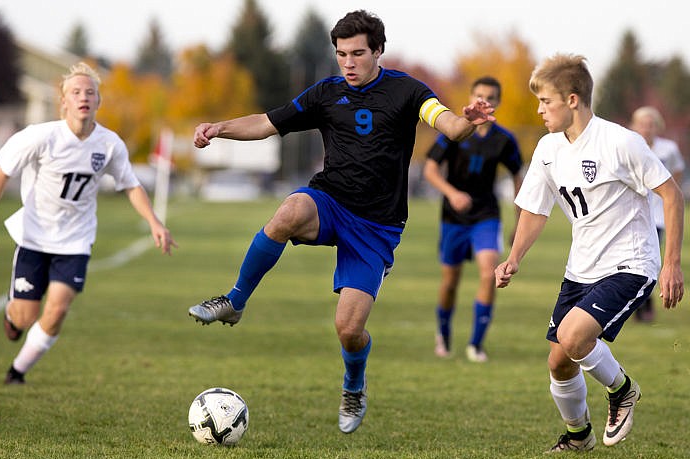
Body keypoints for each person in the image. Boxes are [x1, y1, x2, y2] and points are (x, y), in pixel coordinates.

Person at [188, 10, 495, 434]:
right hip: (330, 202)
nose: (348, 63)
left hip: (377, 228)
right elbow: (266, 122)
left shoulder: (407, 91)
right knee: (290, 211)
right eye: (341, 54)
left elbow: (446, 123)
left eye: (357, 53)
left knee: (349, 330)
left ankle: (354, 384)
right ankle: (235, 302)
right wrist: (218, 128)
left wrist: (466, 122)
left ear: (378, 51)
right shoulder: (326, 93)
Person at [495, 54, 684, 452]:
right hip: (581, 267)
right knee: (558, 362)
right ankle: (579, 436)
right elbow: (534, 210)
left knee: (573, 337)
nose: (540, 109)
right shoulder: (548, 149)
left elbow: (671, 194)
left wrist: (671, 264)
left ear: (574, 99)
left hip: (630, 263)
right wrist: (514, 258)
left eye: (546, 101)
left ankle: (623, 390)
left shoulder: (621, 142)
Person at [0, 62, 176, 385]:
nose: (84, 97)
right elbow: (3, 173)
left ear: (98, 102)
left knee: (57, 310)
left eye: (90, 92)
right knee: (25, 317)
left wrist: (155, 222)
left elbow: (131, 185)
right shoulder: (41, 137)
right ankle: (13, 318)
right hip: (34, 238)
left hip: (75, 241)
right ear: (63, 102)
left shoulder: (109, 144)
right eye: (76, 92)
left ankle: (17, 372)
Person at [424, 76, 523, 362]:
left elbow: (518, 178)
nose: (485, 100)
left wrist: (519, 223)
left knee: (487, 273)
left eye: (491, 97)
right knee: (450, 282)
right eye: (480, 95)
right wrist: (452, 193)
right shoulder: (453, 132)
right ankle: (443, 334)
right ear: (470, 97)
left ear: (498, 102)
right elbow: (430, 170)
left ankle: (475, 345)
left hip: (486, 215)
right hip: (453, 217)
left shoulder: (504, 140)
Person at [629, 106, 686, 322]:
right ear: (634, 125)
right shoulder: (629, 146)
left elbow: (677, 172)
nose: (646, 128)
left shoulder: (668, 149)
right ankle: (639, 302)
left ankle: (646, 302)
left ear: (657, 127)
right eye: (642, 124)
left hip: (660, 216)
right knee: (634, 259)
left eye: (651, 124)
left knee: (651, 259)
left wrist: (670, 196)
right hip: (634, 215)